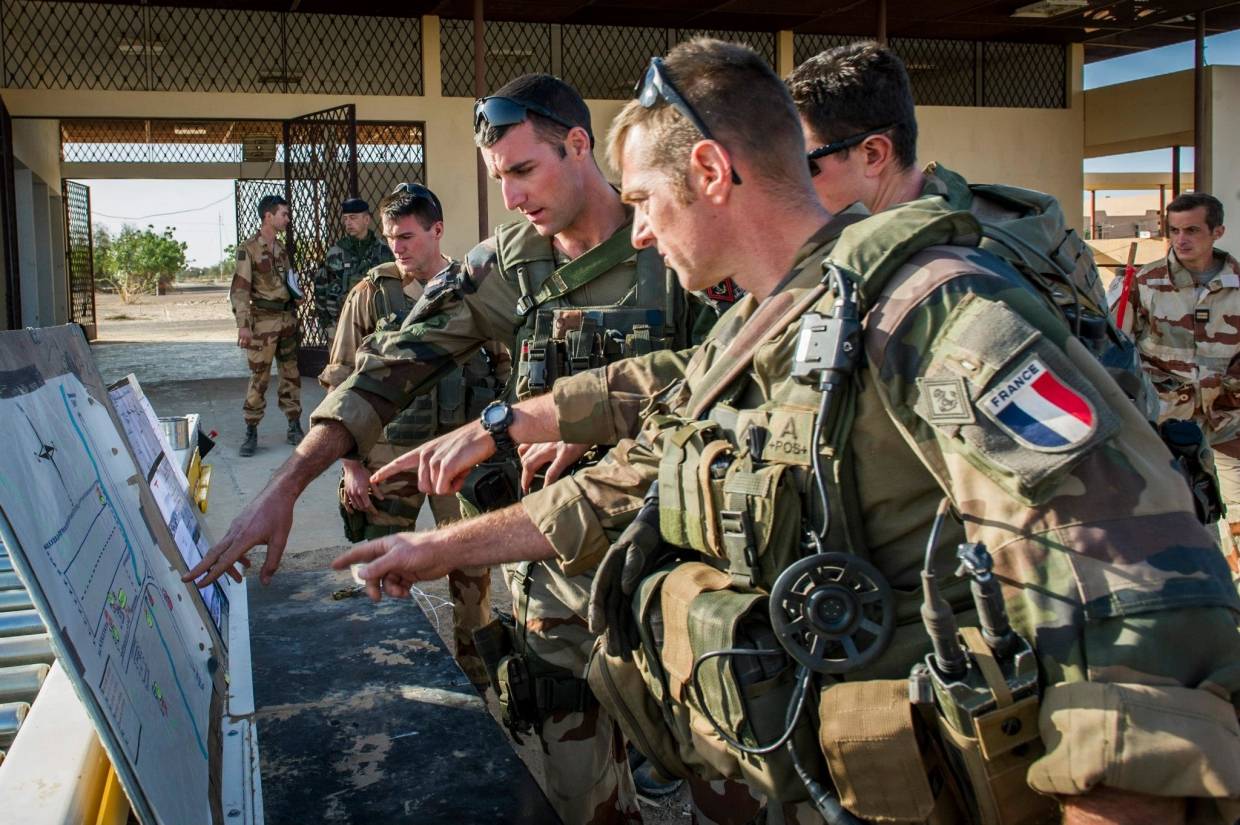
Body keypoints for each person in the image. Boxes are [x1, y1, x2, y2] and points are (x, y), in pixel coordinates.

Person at [337, 39, 1240, 825]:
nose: (640, 233)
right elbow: (632, 473)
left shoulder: (936, 318)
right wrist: (434, 546)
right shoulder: (767, 330)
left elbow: (1143, 612)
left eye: (646, 200)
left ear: (710, 175)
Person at [190, 73, 716, 825]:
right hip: (555, 584)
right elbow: (389, 363)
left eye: (524, 171)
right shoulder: (507, 266)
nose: (511, 197)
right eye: (499, 177)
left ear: (579, 144)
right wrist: (292, 478)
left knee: (724, 788)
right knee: (581, 794)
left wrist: (577, 420)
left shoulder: (677, 243)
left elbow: (735, 387)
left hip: (676, 574)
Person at [317, 184, 507, 689]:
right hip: (384, 460)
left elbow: (505, 375)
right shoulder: (370, 293)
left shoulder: (473, 287)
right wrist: (350, 464)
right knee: (379, 570)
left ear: (436, 230)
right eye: (389, 237)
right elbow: (339, 381)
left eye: (406, 236)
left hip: (455, 461)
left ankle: (477, 682)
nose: (396, 247)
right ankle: (385, 677)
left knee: (471, 576)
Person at [1111, 192, 1240, 575]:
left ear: (1217, 231)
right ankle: (1197, 588)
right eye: (1174, 231)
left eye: (1192, 231)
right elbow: (1116, 347)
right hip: (1168, 421)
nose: (1181, 240)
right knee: (1180, 513)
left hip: (1230, 419)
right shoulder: (1144, 283)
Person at [230, 194, 303, 457]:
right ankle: (251, 430)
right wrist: (243, 325)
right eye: (284, 214)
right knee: (259, 377)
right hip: (262, 322)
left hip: (287, 320)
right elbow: (239, 291)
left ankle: (294, 424)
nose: (287, 218)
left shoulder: (282, 250)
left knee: (291, 373)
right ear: (268, 216)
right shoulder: (248, 248)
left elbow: (290, 282)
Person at [313, 197, 394, 342]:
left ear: (366, 220)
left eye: (353, 218)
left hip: (377, 325)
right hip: (341, 325)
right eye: (345, 218)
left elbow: (394, 287)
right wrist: (328, 325)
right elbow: (321, 289)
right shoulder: (335, 253)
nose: (348, 223)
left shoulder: (383, 251)